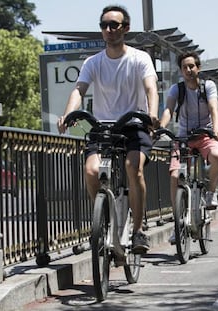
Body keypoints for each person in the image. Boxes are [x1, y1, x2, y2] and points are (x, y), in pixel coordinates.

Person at [57, 5, 159, 254]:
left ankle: (137, 231)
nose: (108, 30)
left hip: (134, 124)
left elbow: (150, 89)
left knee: (132, 168)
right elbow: (79, 90)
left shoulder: (139, 58)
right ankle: (100, 221)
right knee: (91, 171)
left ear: (126, 28)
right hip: (103, 127)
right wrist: (69, 113)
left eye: (114, 25)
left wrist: (152, 115)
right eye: (104, 25)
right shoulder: (94, 62)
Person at [159, 51, 218, 243]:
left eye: (191, 66)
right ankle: (177, 224)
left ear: (198, 68)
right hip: (183, 138)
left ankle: (211, 193)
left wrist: (217, 130)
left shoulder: (208, 86)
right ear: (180, 70)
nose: (188, 70)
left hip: (206, 135)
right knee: (174, 176)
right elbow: (169, 110)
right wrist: (161, 127)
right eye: (184, 67)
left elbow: (214, 109)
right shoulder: (176, 89)